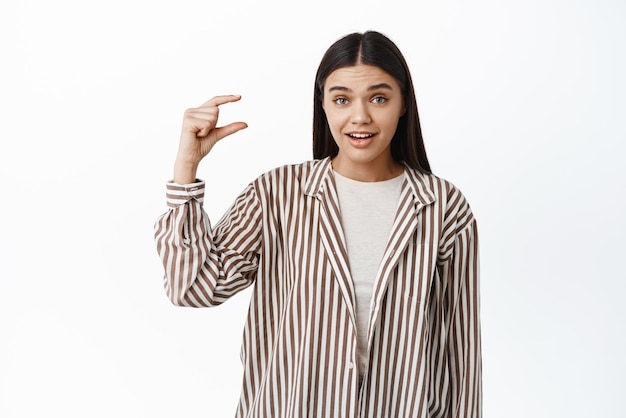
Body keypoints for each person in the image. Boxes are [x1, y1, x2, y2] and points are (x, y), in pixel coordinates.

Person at [154, 30, 482, 418]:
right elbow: (191, 287)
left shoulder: (443, 208)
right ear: (323, 105)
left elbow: (458, 357)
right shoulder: (276, 195)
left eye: (379, 98)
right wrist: (186, 169)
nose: (359, 117)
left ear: (404, 104)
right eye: (341, 99)